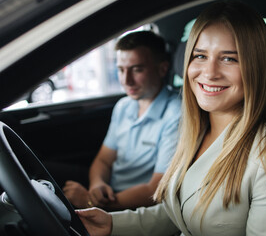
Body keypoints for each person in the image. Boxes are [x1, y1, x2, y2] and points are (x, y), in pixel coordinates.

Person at [76, 0, 266, 235]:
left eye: (229, 58)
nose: (209, 73)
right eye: (200, 56)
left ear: (256, 68)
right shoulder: (196, 132)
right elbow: (180, 211)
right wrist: (113, 223)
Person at [63, 31, 182, 211]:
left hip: (133, 207)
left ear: (162, 69)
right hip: (110, 194)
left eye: (137, 69)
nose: (126, 81)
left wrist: (90, 203)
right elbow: (104, 159)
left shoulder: (176, 113)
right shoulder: (124, 106)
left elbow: (156, 189)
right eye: (121, 69)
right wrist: (96, 185)